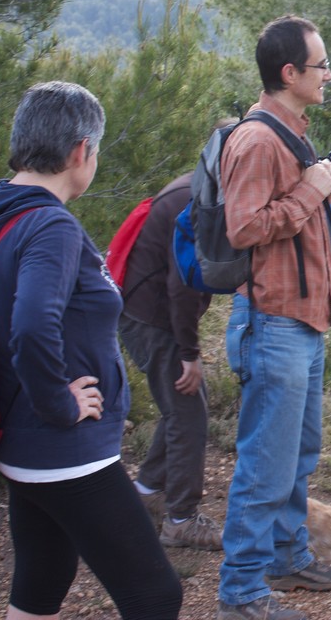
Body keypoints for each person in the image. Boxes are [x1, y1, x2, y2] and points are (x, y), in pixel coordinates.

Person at [0, 81, 182, 619]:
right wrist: (60, 403)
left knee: (43, 579)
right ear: (81, 151)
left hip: (20, 443)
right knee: (156, 597)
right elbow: (32, 326)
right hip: (64, 449)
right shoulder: (49, 225)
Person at [217, 16, 331, 620]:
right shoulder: (257, 140)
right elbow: (244, 227)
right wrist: (312, 189)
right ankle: (241, 593)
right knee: (265, 466)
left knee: (297, 454)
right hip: (272, 322)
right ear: (289, 72)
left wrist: (317, 185)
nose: (329, 75)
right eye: (321, 66)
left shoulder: (289, 135)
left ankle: (285, 558)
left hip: (300, 321)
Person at [117, 170, 221, 551]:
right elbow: (183, 286)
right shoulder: (198, 201)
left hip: (143, 311)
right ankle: (181, 520)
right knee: (188, 412)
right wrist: (190, 354)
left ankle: (149, 489)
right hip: (151, 317)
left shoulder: (199, 184)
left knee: (182, 407)